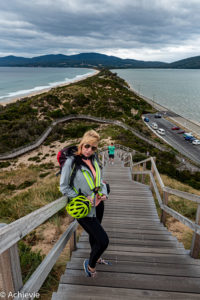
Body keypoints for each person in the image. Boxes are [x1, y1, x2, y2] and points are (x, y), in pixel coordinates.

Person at [60, 130, 109, 277]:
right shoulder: (71, 162)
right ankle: (90, 265)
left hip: (98, 204)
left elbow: (99, 180)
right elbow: (64, 187)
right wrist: (81, 198)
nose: (89, 150)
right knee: (104, 241)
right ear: (82, 144)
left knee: (95, 236)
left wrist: (104, 192)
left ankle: (97, 257)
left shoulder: (94, 159)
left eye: (93, 148)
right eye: (87, 146)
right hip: (84, 209)